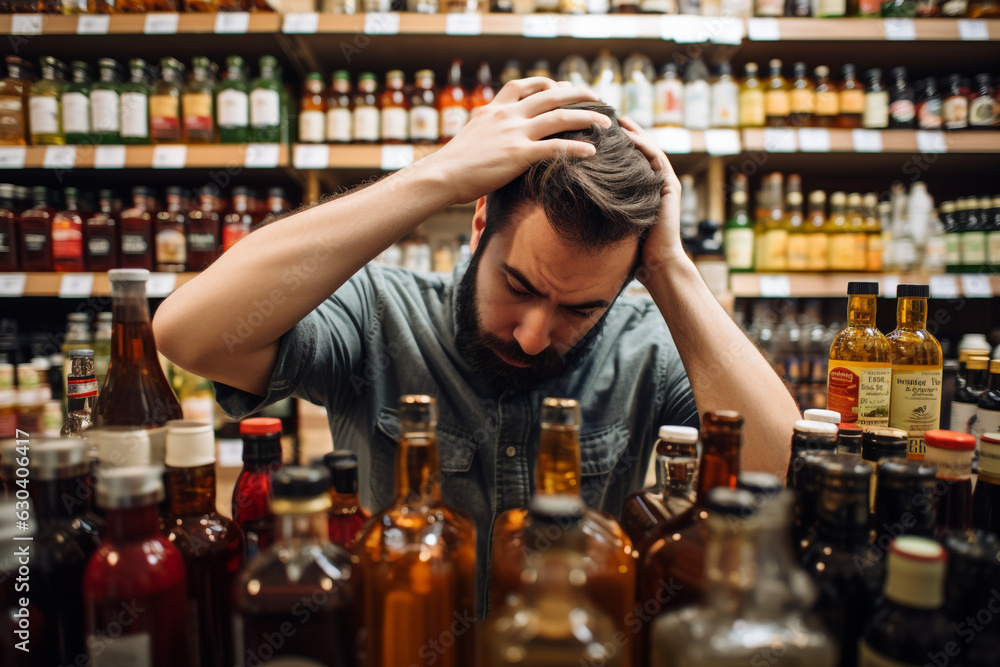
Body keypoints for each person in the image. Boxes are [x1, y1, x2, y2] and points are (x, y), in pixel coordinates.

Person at [153, 78, 800, 611]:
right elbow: (189, 333)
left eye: (581, 309)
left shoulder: (645, 344)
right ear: (479, 222)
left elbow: (783, 471)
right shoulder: (380, 312)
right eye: (517, 285)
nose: (534, 333)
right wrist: (439, 172)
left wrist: (670, 269)